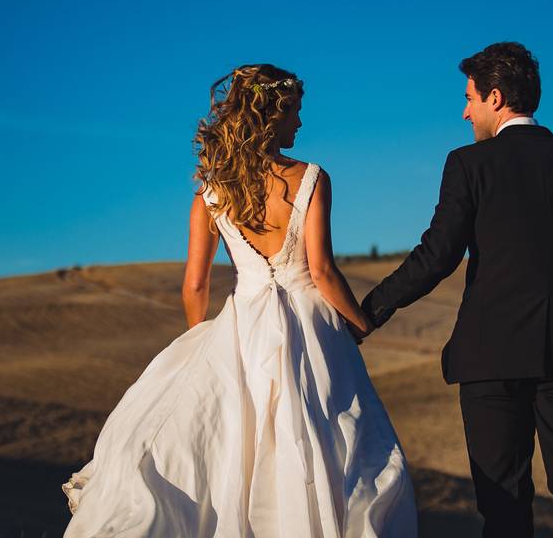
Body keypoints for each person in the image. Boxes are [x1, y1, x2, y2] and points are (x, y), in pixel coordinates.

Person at [61, 64, 417, 537]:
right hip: (313, 330)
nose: (300, 125)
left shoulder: (209, 196)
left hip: (243, 328)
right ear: (273, 114)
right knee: (330, 447)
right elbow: (323, 272)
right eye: (295, 113)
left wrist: (201, 344)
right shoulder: (310, 178)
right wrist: (361, 325)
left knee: (237, 452)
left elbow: (194, 286)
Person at [359, 42, 553, 537]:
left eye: (470, 97)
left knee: (504, 503)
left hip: (491, 360)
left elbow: (437, 255)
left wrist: (368, 310)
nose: (465, 110)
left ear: (496, 97)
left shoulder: (469, 165)